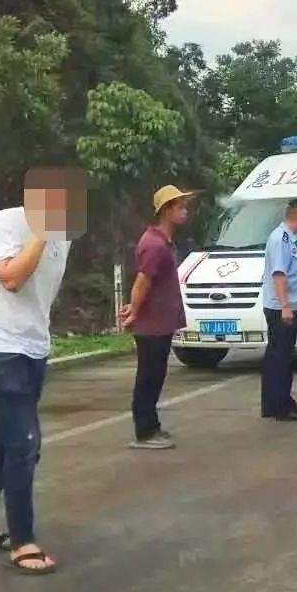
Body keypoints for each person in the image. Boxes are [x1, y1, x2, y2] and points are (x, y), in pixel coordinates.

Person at [0, 166, 87, 575]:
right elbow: (12, 278)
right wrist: (41, 232)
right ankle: (23, 541)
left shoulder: (64, 236)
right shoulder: (5, 223)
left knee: (4, 441)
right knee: (24, 444)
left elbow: (43, 294)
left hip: (33, 350)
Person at [120, 184, 195, 450]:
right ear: (166, 210)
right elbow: (143, 281)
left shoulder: (163, 242)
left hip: (160, 323)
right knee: (149, 377)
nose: (185, 211)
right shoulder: (154, 245)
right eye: (180, 207)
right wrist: (135, 310)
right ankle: (145, 431)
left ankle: (152, 426)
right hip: (151, 325)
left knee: (156, 375)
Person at [261, 197, 297, 421]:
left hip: (282, 305)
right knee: (282, 358)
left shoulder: (286, 238)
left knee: (276, 356)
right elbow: (279, 274)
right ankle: (282, 406)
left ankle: (272, 404)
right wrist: (285, 306)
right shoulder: (281, 239)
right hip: (282, 307)